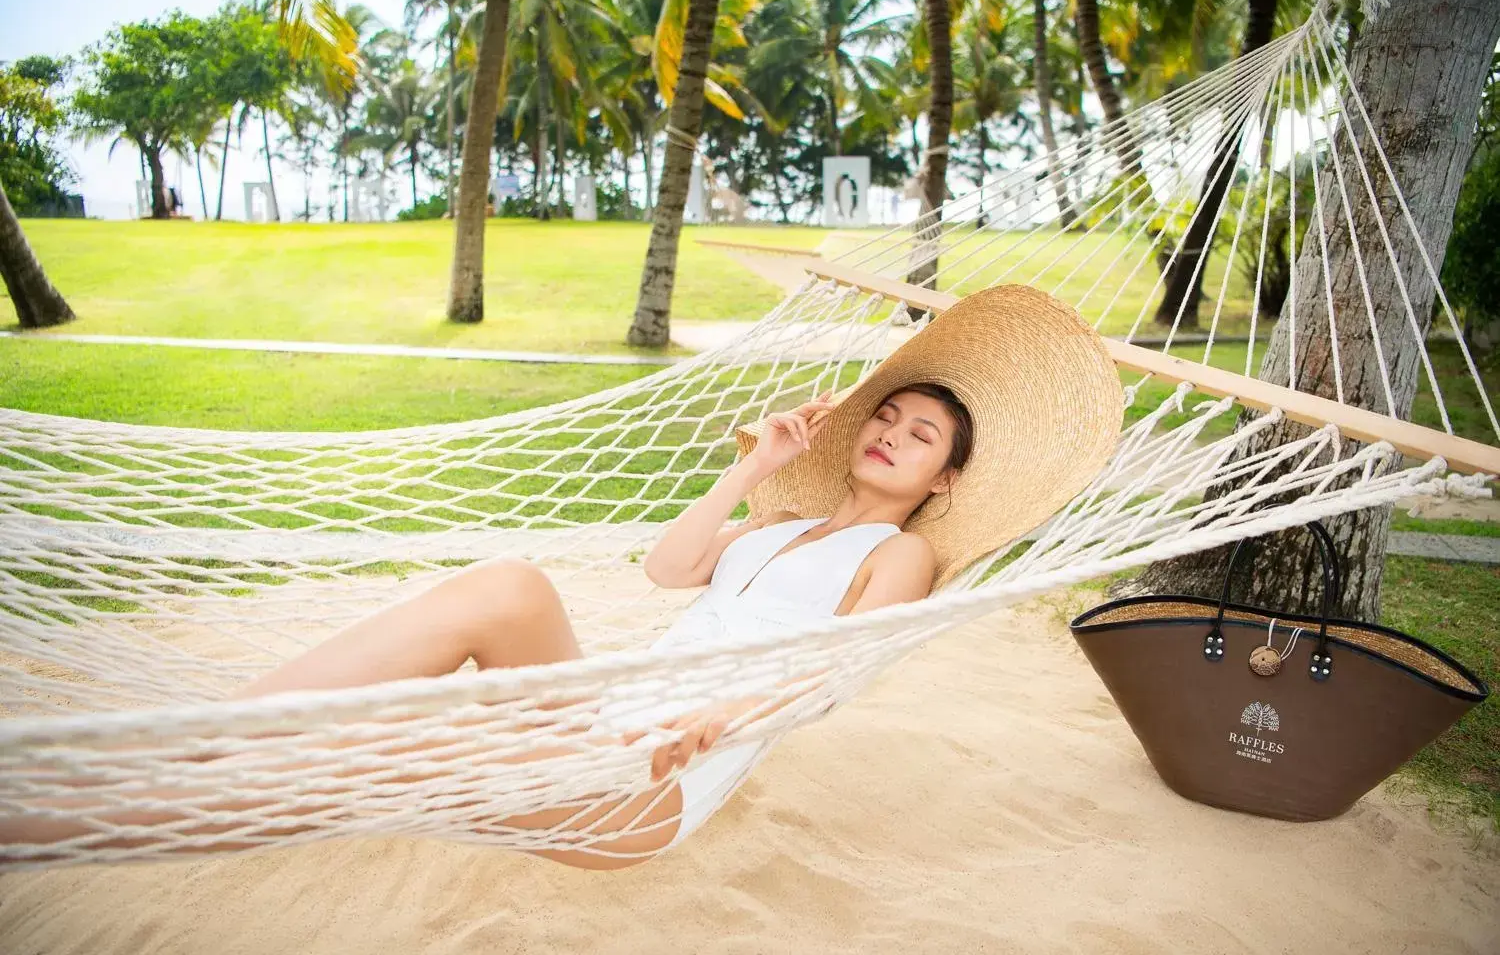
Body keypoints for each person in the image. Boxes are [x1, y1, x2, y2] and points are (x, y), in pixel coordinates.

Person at [2, 285, 1123, 872]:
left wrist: (719, 712)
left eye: (920, 433)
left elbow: (837, 669)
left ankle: (119, 791)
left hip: (650, 780)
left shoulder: (903, 554)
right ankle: (165, 764)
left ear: (943, 480)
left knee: (446, 668)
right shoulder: (776, 526)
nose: (890, 432)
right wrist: (758, 465)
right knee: (437, 665)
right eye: (886, 412)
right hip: (599, 723)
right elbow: (666, 565)